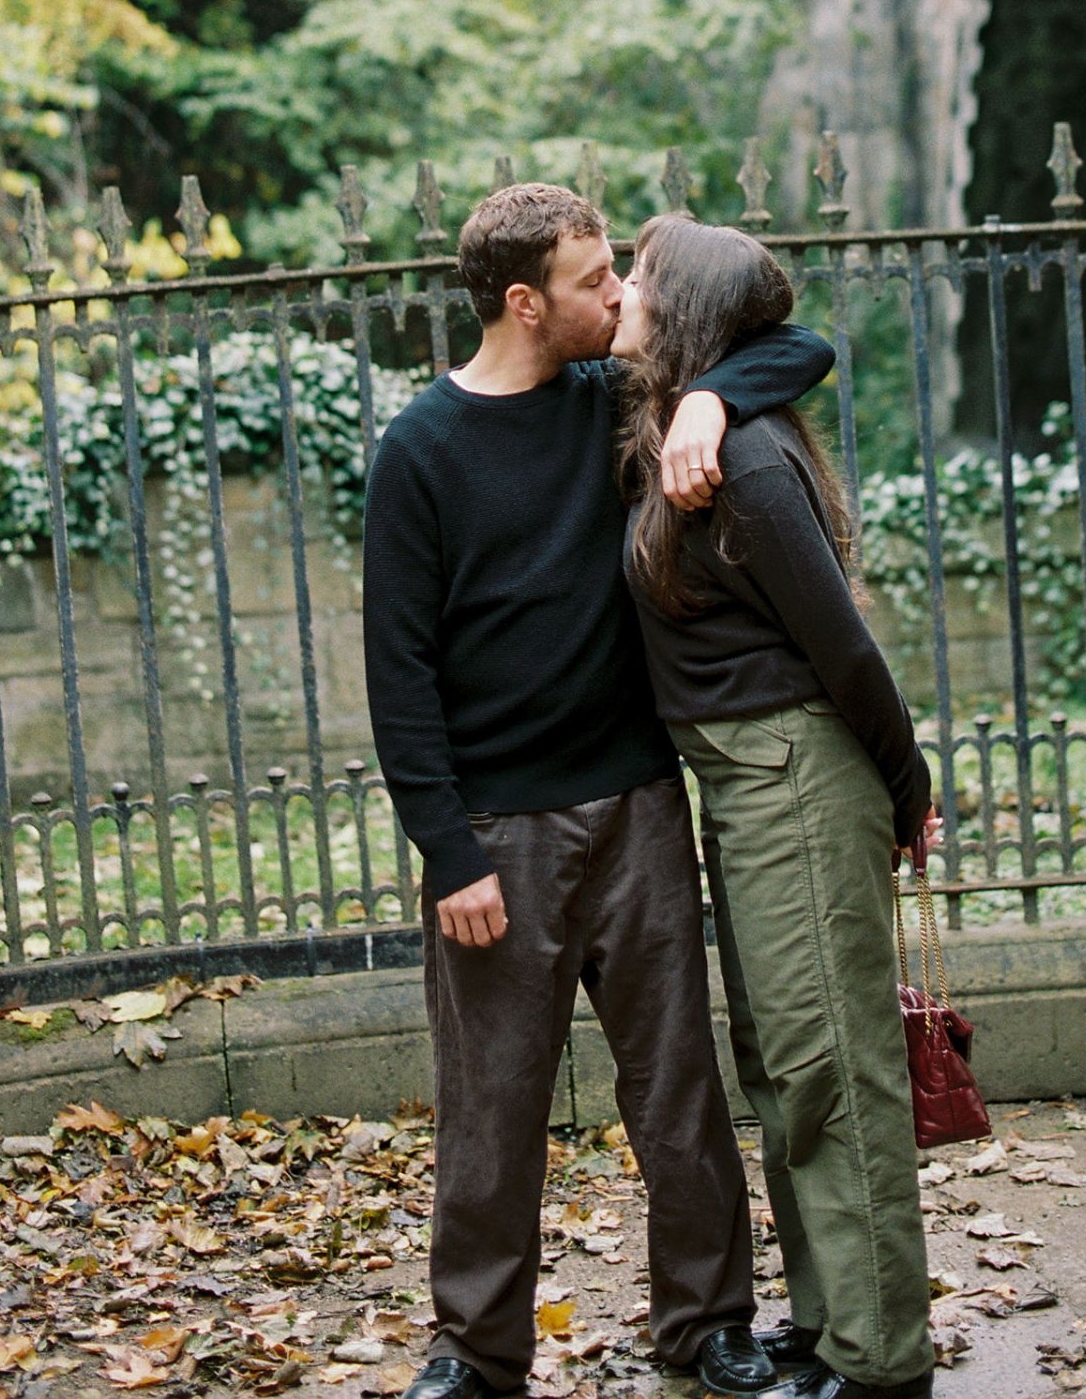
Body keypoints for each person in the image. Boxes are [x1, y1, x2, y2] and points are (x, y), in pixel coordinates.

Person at [362, 183, 836, 1399]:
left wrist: (714, 396)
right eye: (591, 279)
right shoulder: (417, 452)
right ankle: (474, 1353)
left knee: (677, 1088)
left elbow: (802, 342)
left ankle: (710, 1326)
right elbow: (398, 671)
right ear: (525, 302)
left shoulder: (619, 401)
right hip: (495, 838)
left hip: (636, 803)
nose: (620, 293)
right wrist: (446, 849)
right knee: (492, 1109)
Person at [613, 214, 939, 1399]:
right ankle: (832, 1315)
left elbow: (843, 646)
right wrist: (703, 395)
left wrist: (910, 786)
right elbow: (792, 341)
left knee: (833, 1068)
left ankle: (881, 1357)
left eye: (639, 279)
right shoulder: (672, 419)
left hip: (799, 770)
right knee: (786, 1059)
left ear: (685, 311)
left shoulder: (742, 458)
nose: (621, 294)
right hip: (746, 780)